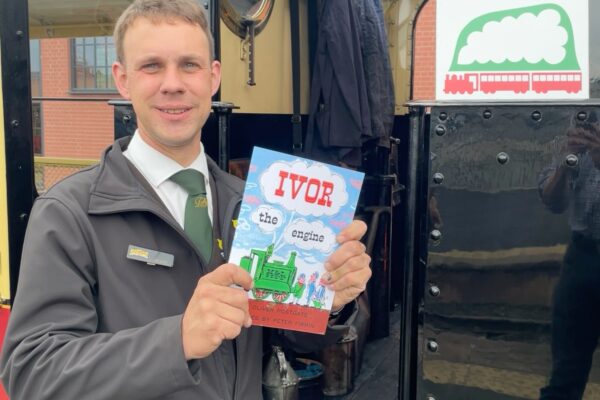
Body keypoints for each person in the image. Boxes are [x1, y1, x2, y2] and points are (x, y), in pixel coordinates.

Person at [0, 1, 372, 399]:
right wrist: (176, 340)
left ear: (213, 78)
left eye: (190, 65)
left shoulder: (250, 201)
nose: (173, 83)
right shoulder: (68, 213)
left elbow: (281, 335)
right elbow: (31, 370)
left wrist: (328, 301)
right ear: (122, 79)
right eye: (152, 66)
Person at [538, 113, 600, 399]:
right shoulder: (573, 133)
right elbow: (553, 203)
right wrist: (567, 163)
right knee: (566, 369)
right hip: (582, 256)